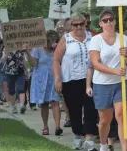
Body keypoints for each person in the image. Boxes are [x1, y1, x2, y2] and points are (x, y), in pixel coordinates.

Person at [89, 9, 127, 151]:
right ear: (100, 24)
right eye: (105, 20)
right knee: (104, 120)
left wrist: (126, 54)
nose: (109, 22)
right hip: (102, 84)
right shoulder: (96, 40)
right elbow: (95, 63)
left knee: (121, 115)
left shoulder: (123, 38)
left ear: (115, 21)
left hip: (122, 82)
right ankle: (104, 144)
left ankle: (124, 148)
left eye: (111, 19)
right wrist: (114, 71)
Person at [53, 13, 98, 151]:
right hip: (71, 80)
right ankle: (78, 135)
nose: (78, 27)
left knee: (91, 109)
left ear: (86, 24)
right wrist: (58, 79)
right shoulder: (66, 39)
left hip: (90, 79)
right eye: (75, 24)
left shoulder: (93, 37)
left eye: (81, 24)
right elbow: (56, 59)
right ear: (70, 26)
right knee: (74, 110)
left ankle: (89, 139)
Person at [24, 30, 63, 136]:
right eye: (51, 40)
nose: (53, 42)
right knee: (44, 104)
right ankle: (45, 127)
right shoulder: (38, 49)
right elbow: (33, 64)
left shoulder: (57, 50)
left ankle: (57, 127)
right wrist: (27, 51)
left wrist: (57, 49)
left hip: (54, 78)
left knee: (55, 102)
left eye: (55, 40)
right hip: (41, 80)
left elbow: (62, 62)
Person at [2, 47, 27, 114]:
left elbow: (23, 60)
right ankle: (13, 107)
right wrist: (6, 53)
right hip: (10, 73)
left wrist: (26, 70)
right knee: (11, 90)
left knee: (21, 88)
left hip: (20, 72)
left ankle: (22, 106)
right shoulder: (6, 49)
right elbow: (3, 61)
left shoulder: (20, 49)